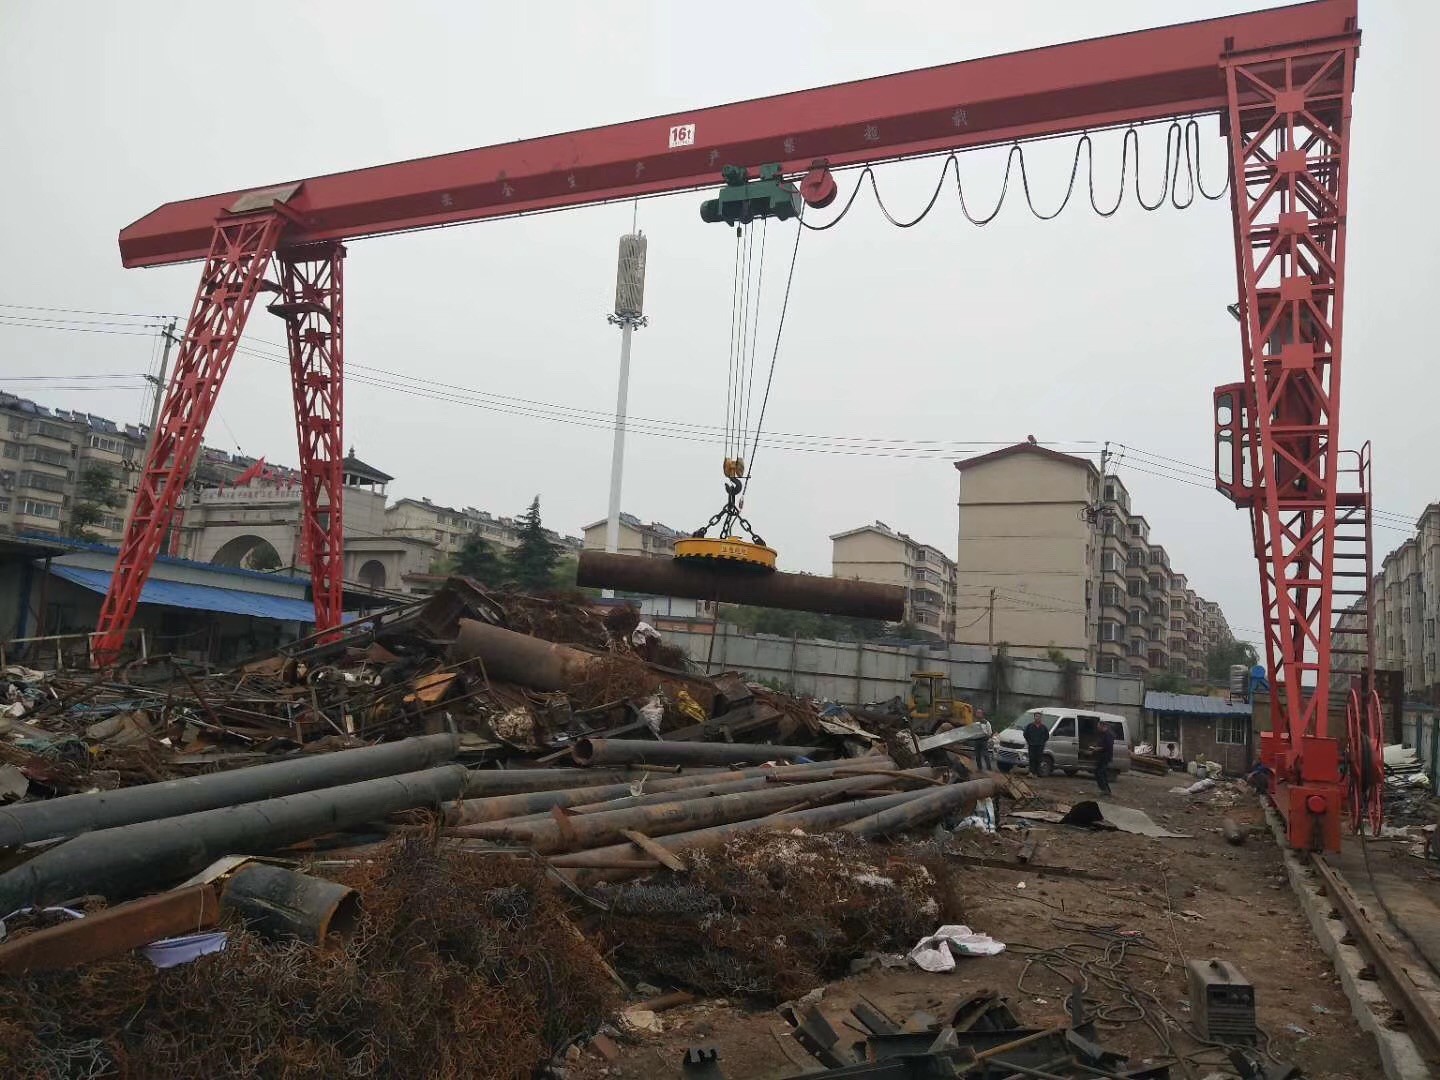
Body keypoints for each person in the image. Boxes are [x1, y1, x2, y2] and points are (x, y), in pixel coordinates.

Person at [1093, 723, 1116, 795]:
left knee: (1099, 772)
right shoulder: (1103, 734)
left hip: (1105, 756)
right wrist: (1096, 747)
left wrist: (1097, 749)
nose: (1098, 728)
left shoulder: (1108, 734)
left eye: (1098, 727)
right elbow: (1102, 744)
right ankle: (1107, 790)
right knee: (1102, 773)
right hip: (1102, 756)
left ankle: (1104, 789)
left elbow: (1107, 747)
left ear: (1102, 726)